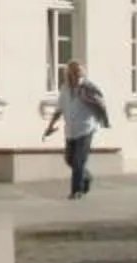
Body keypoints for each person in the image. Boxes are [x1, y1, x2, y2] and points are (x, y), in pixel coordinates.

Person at [42, 58, 111, 198]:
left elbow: (101, 103)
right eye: (74, 72)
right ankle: (86, 176)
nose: (77, 75)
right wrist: (49, 127)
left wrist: (104, 120)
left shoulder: (87, 88)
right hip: (71, 130)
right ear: (68, 74)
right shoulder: (65, 89)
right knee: (69, 159)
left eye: (79, 72)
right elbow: (59, 109)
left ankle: (76, 191)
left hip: (86, 128)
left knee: (79, 160)